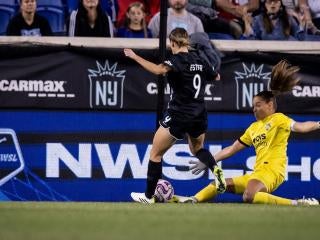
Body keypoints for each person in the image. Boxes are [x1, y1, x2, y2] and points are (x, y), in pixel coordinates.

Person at [184, 60, 320, 206]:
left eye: (258, 105)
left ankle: (298, 203)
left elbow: (301, 127)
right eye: (253, 106)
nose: (254, 109)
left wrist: (318, 124)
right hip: (257, 173)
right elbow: (231, 149)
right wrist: (208, 161)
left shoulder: (279, 119)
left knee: (249, 196)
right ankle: (193, 199)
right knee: (218, 184)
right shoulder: (253, 128)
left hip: (272, 171)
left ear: (270, 105)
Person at [124, 27, 226, 203]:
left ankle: (148, 197)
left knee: (155, 154)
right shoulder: (200, 59)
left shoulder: (176, 60)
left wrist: (134, 56)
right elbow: (216, 77)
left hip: (179, 113)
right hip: (199, 114)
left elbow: (158, 71)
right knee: (198, 149)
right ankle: (216, 170)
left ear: (173, 43)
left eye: (170, 44)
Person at [241, 0, 306, 40]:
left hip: (284, 55)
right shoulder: (257, 19)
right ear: (265, 5)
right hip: (266, 56)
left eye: (275, 1)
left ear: (280, 4)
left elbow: (300, 39)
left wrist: (301, 23)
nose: (272, 4)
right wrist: (247, 26)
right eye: (269, 1)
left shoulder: (289, 18)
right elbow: (252, 41)